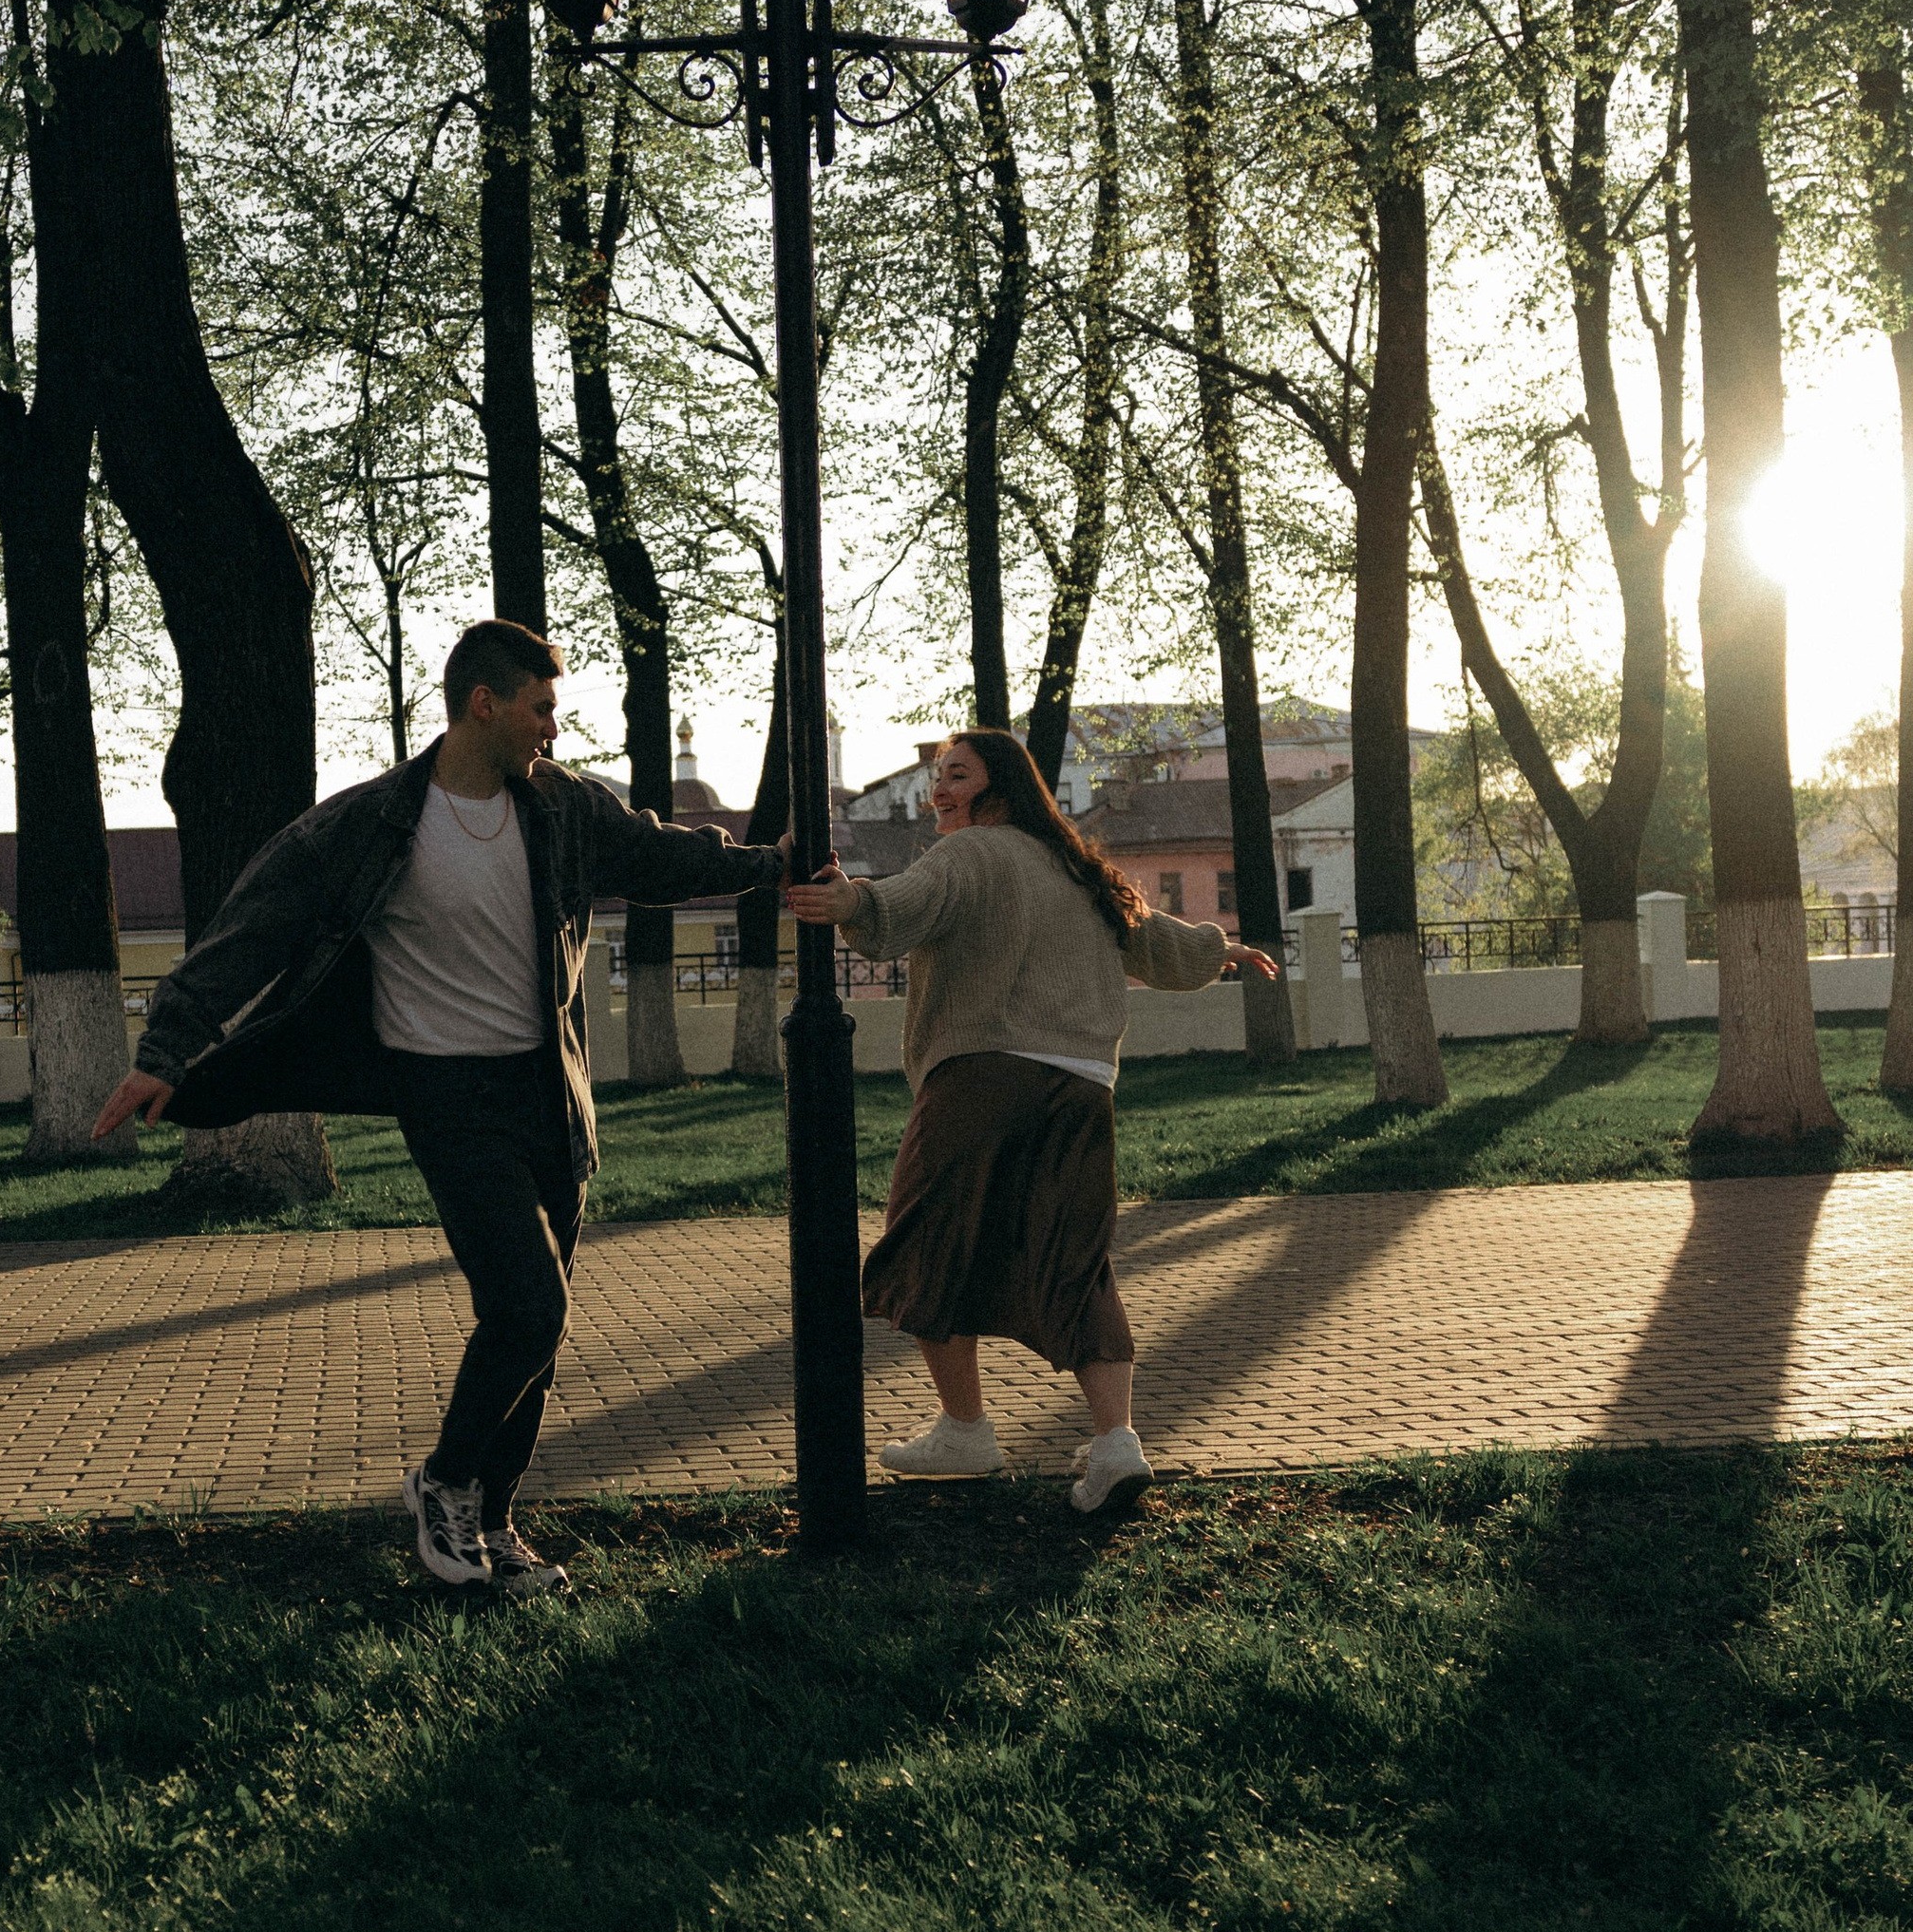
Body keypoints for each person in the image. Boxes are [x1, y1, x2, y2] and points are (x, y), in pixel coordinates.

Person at [93, 621, 786, 1596]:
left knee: (534, 1329)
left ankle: (492, 1524)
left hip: (549, 1085)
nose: (553, 726)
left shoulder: (561, 808)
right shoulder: (372, 823)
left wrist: (772, 865)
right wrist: (167, 1051)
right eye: (541, 707)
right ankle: (447, 1484)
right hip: (443, 1089)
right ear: (483, 704)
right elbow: (251, 928)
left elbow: (661, 858)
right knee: (527, 1299)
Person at [787, 729, 1279, 1518]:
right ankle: (1117, 1442)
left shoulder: (971, 855)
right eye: (935, 776)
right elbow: (1157, 942)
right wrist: (1225, 950)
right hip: (1084, 1089)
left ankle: (965, 1428)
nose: (936, 790)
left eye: (955, 775)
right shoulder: (1082, 871)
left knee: (925, 1240)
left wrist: (848, 900)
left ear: (1001, 789)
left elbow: (899, 908)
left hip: (983, 1076)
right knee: (1075, 1260)